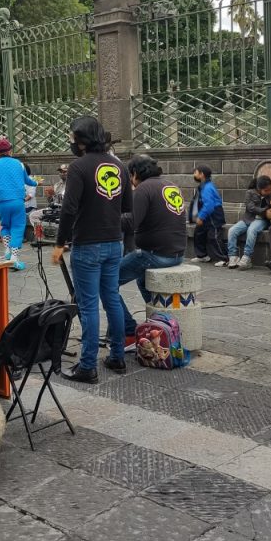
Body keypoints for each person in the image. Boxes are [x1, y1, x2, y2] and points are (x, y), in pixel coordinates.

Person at [53, 116, 132, 382]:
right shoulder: (119, 167)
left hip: (87, 245)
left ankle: (87, 366)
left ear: (82, 139)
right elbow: (127, 209)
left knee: (87, 306)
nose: (71, 142)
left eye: (72, 137)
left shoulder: (78, 167)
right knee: (111, 299)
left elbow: (69, 208)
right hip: (114, 243)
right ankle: (117, 357)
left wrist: (59, 243)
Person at [118, 154, 186, 347]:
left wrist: (106, 218)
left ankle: (129, 331)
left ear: (134, 173)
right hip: (177, 253)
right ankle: (160, 322)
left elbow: (131, 223)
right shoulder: (170, 185)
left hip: (156, 254)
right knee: (142, 279)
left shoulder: (144, 188)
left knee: (105, 283)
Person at [0, 139, 37, 267]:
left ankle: (7, 250)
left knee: (5, 226)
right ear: (10, 151)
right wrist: (36, 183)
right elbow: (27, 181)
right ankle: (14, 257)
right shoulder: (19, 164)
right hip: (17, 201)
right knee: (18, 227)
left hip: (1, 202)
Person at [226, 176, 271, 269]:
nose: (269, 192)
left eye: (270, 189)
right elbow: (250, 207)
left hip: (261, 220)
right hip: (247, 219)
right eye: (266, 190)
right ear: (259, 189)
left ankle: (247, 257)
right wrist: (265, 211)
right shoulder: (250, 193)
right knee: (232, 230)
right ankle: (233, 256)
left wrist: (269, 211)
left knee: (252, 230)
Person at [188, 164, 226, 266]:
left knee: (213, 236)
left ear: (202, 174)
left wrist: (201, 217)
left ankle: (223, 259)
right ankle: (202, 256)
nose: (194, 175)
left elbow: (209, 205)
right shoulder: (204, 186)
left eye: (195, 172)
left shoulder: (207, 188)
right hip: (207, 215)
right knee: (199, 233)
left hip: (213, 216)